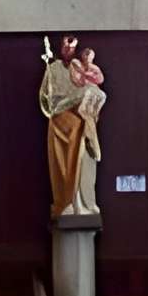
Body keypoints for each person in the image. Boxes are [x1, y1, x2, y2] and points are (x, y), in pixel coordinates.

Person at [39, 34, 107, 216]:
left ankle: (86, 200)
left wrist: (91, 100)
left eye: (72, 47)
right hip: (61, 120)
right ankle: (68, 199)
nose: (69, 50)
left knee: (86, 143)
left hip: (81, 117)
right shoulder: (53, 69)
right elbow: (48, 102)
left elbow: (91, 89)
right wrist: (71, 100)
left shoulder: (79, 68)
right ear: (60, 48)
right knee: (77, 130)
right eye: (65, 46)